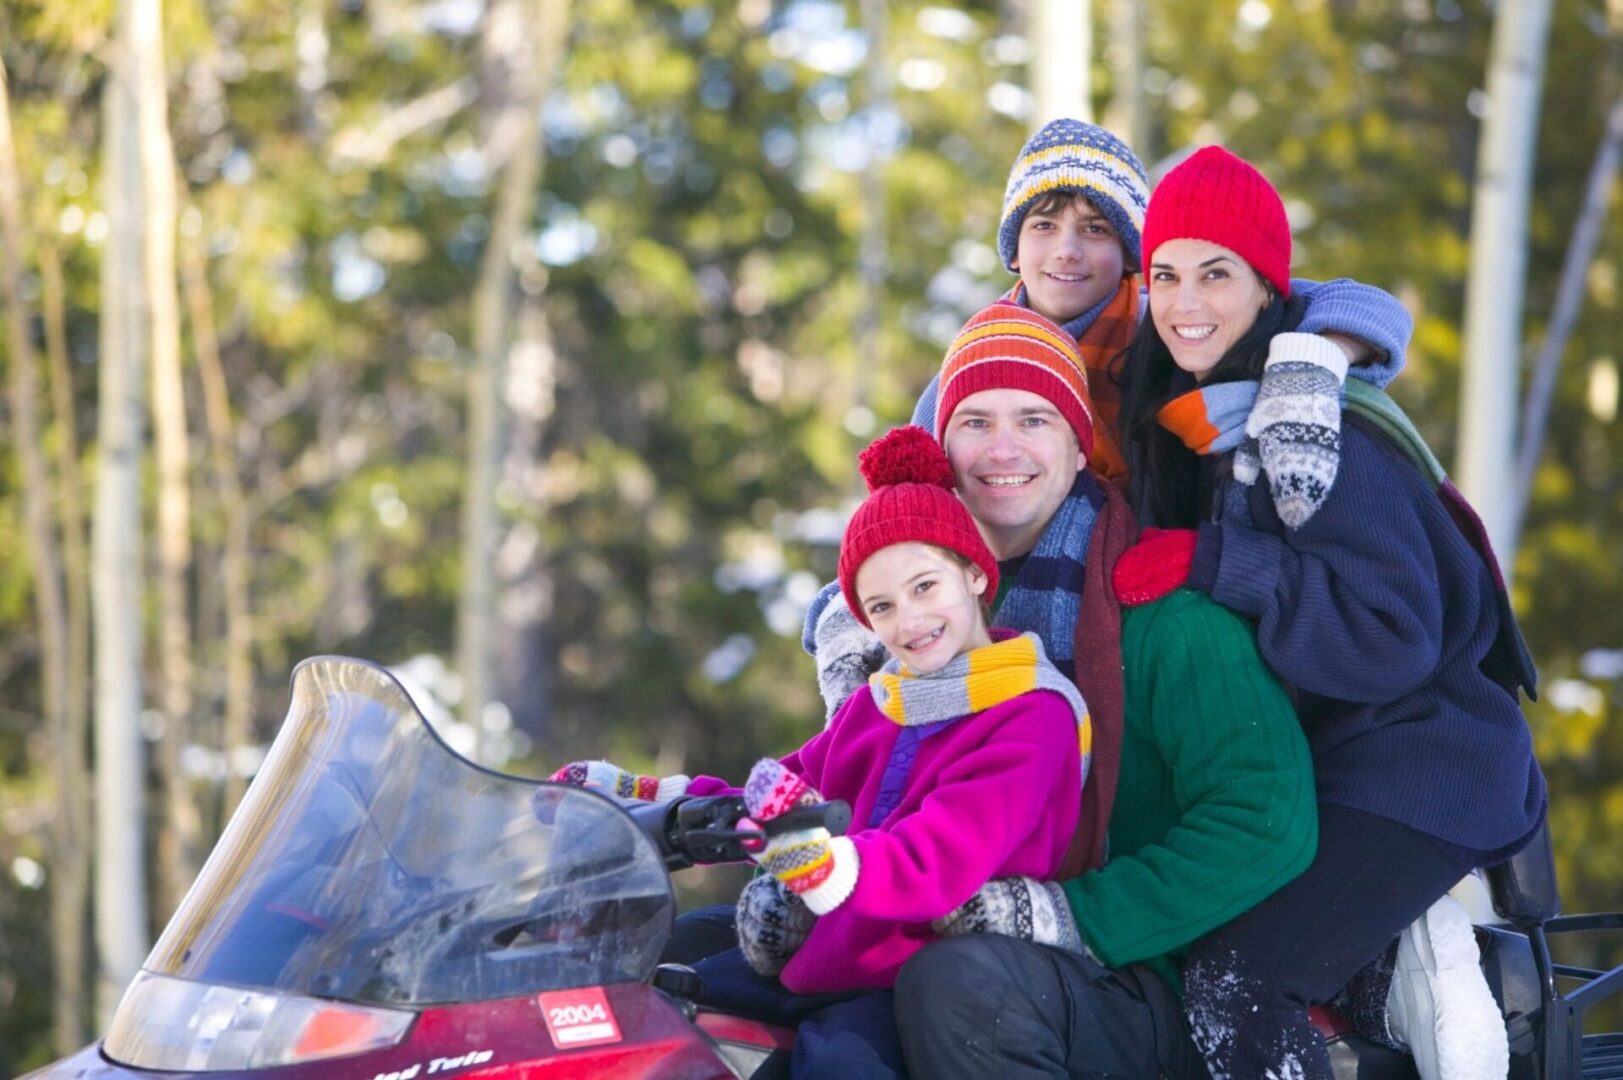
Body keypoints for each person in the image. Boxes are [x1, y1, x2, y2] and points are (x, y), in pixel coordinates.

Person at [1109, 144, 1547, 1080]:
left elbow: (1390, 641)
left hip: (1423, 759)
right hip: (1338, 763)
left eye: (1215, 274)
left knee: (1236, 987)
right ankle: (1401, 961)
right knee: (1211, 942)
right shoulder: (1208, 421)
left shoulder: (1323, 430)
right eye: (1166, 276)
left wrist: (1218, 563)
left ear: (1267, 288)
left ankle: (1410, 943)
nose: (1186, 304)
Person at [828, 307, 1320, 1078]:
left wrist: (1068, 916)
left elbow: (1265, 820)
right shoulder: (919, 638)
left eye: (1033, 418)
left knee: (959, 982)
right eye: (973, 422)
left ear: (1077, 442)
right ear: (942, 448)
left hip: (1135, 978)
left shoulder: (1166, 620)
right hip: (939, 925)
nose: (1001, 449)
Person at [556, 423, 1092, 1079]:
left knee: (839, 1065)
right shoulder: (882, 702)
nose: (910, 621)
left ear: (975, 574)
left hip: (918, 974)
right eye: (882, 607)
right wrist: (645, 801)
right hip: (830, 954)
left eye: (925, 587)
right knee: (641, 1009)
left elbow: (943, 857)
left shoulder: (1030, 714)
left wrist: (828, 869)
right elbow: (783, 792)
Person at [906, 117, 1413, 492]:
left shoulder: (1171, 317)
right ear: (1014, 249)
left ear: (1130, 252)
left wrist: (1313, 360)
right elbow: (907, 494)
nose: (1066, 249)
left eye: (1095, 228)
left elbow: (1364, 306)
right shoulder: (979, 358)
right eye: (1043, 225)